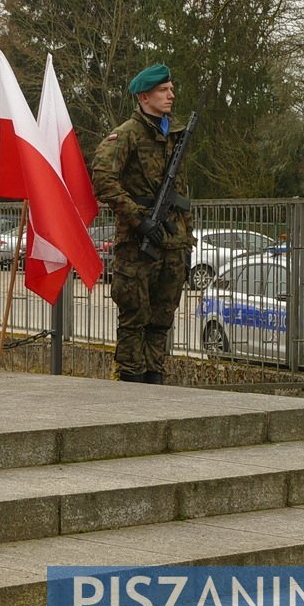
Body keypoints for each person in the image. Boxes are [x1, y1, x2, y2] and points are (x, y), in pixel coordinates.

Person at [91, 63, 195, 384]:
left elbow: (181, 193)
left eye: (171, 88)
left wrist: (186, 242)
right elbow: (103, 179)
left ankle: (155, 384)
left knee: (162, 321)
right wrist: (138, 218)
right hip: (138, 246)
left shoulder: (175, 135)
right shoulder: (126, 135)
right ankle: (132, 390)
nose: (171, 95)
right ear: (144, 96)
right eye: (164, 90)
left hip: (173, 243)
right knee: (135, 319)